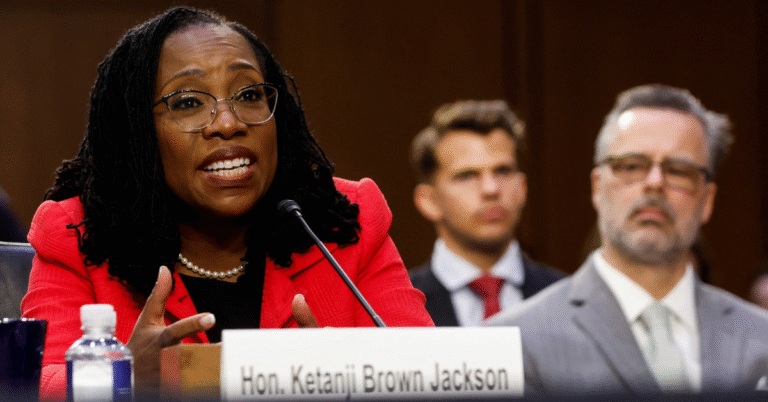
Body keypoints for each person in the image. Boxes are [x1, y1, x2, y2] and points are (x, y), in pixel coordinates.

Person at [21, 7, 433, 400]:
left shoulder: (340, 223)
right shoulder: (79, 235)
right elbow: (30, 384)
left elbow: (430, 369)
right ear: (138, 132)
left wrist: (340, 375)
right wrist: (126, 378)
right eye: (187, 103)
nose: (228, 123)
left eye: (249, 94)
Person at [486, 84, 768, 395]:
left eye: (679, 171)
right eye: (632, 166)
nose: (655, 183)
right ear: (597, 186)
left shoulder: (760, 338)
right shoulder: (513, 341)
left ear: (708, 199)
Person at [409, 100, 564, 326]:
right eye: (467, 176)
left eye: (503, 171)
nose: (491, 189)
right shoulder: (394, 307)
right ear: (429, 201)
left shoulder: (566, 298)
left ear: (522, 188)